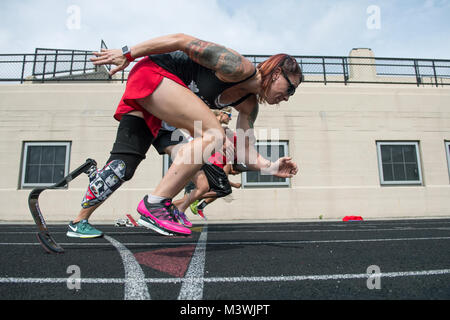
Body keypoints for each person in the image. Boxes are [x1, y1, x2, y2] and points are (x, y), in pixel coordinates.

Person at [66, 33, 301, 238]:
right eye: (290, 88)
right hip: (152, 74)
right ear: (277, 73)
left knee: (121, 167)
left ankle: (78, 222)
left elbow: (245, 153)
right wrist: (127, 54)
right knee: (214, 134)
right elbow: (180, 40)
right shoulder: (237, 66)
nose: (288, 96)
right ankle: (156, 204)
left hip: (160, 104)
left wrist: (271, 167)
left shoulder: (249, 106)